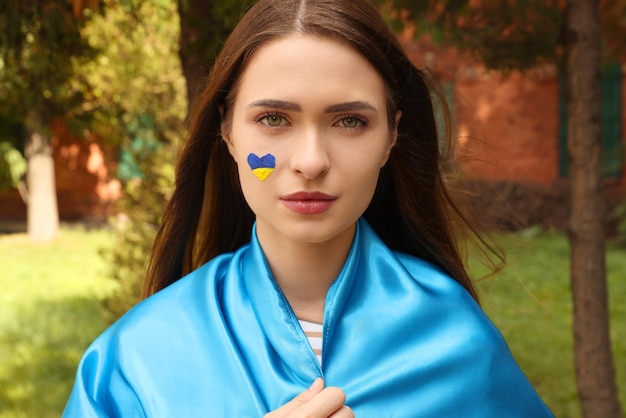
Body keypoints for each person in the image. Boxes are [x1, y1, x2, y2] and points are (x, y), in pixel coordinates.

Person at [63, 0, 555, 416]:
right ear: (229, 132)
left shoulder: (456, 342)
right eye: (274, 118)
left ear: (392, 136)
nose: (311, 162)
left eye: (349, 122)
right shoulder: (136, 359)